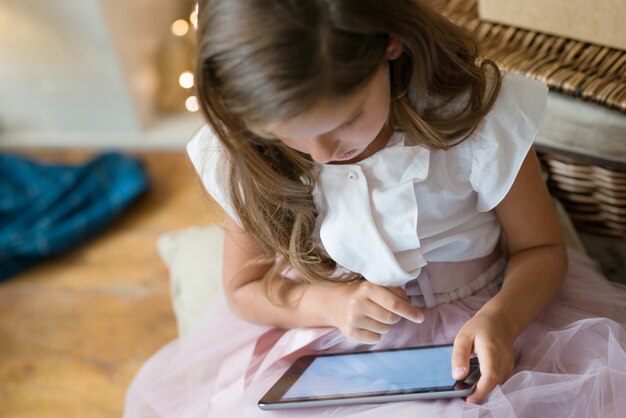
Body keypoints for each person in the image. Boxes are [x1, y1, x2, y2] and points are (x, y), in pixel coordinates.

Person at [124, 0, 626, 416]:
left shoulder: (474, 118)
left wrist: (503, 319)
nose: (319, 153)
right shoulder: (246, 154)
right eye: (287, 131)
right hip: (335, 344)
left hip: (489, 318)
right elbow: (244, 288)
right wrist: (329, 305)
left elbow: (541, 248)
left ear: (391, 41)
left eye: (346, 118)